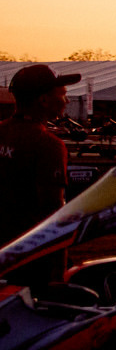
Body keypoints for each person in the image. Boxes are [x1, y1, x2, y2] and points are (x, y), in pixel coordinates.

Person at [1, 64, 79, 278]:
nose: (67, 100)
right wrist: (58, 274)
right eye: (62, 94)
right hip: (26, 259)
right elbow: (53, 215)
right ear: (43, 100)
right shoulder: (48, 145)